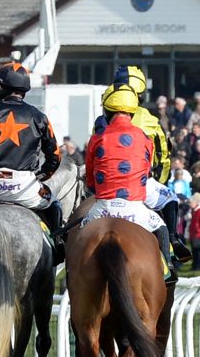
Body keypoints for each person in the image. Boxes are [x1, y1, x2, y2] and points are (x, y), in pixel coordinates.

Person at [0, 63, 63, 255]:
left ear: (0, 87)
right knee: (54, 203)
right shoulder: (39, 117)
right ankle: (58, 246)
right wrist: (41, 176)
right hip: (25, 188)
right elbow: (55, 158)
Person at [107, 68, 192, 264]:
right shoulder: (151, 121)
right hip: (140, 184)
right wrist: (159, 180)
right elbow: (163, 158)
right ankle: (172, 243)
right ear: (141, 93)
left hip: (106, 188)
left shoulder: (101, 121)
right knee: (170, 198)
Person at [77, 96, 169, 245]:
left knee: (76, 238)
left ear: (107, 112)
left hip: (103, 208)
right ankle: (169, 259)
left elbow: (90, 178)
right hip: (135, 209)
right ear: (132, 113)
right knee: (162, 228)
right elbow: (146, 172)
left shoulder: (96, 137)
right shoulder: (145, 138)